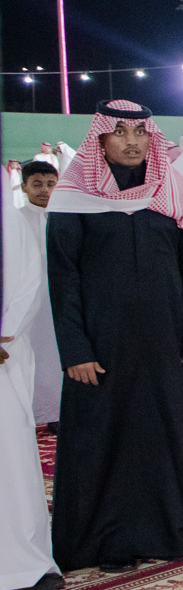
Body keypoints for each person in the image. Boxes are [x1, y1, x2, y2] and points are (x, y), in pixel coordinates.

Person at [45, 101, 183, 574]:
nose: (132, 141)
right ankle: (108, 540)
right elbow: (63, 279)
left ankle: (165, 532)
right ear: (99, 139)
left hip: (165, 342)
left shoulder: (173, 191)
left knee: (165, 437)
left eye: (140, 132)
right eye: (119, 132)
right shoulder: (73, 196)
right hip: (101, 346)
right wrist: (74, 350)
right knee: (103, 439)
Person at [1, 200, 60, 590]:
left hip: (4, 353)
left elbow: (28, 283)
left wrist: (5, 333)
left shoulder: (10, 218)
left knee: (10, 457)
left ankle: (24, 562)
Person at [13, 160, 61, 427]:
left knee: (58, 355)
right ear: (24, 187)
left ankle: (56, 414)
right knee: (32, 355)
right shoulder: (16, 219)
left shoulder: (66, 217)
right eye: (37, 184)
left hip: (59, 297)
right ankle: (33, 413)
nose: (44, 190)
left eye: (50, 184)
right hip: (29, 301)